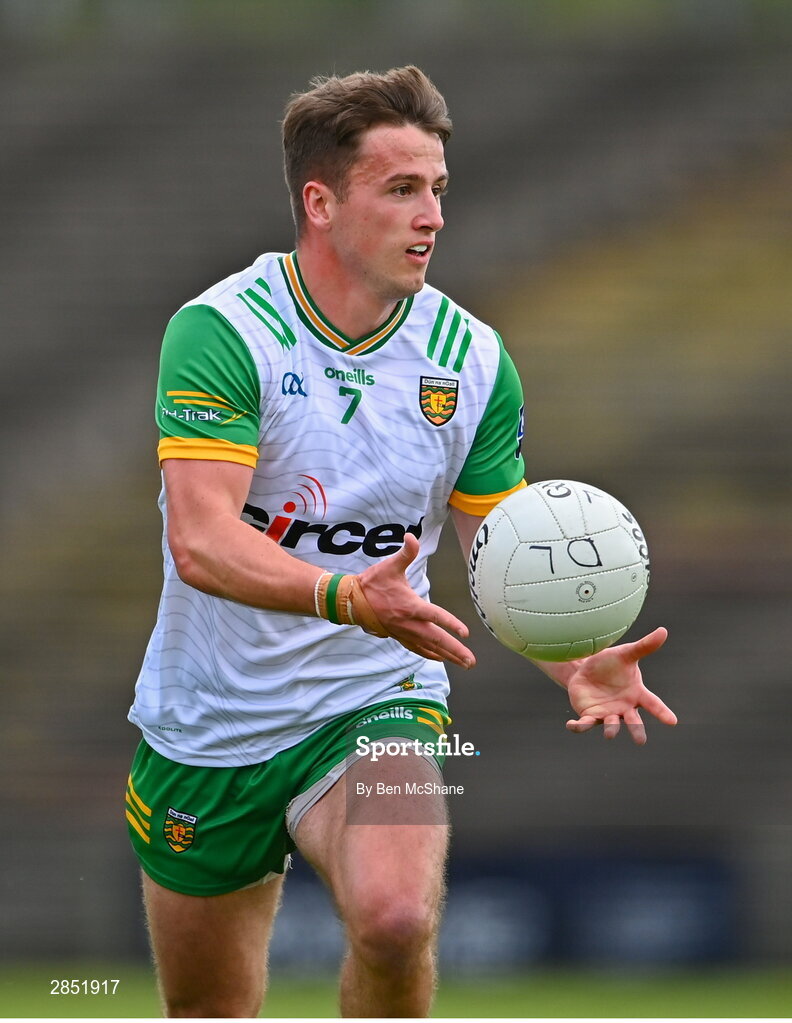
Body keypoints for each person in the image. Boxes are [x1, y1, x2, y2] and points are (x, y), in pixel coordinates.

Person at [125, 65, 677, 1018]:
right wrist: (346, 595)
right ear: (321, 201)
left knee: (392, 917)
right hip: (209, 724)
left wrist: (577, 658)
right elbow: (202, 541)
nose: (433, 215)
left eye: (439, 190)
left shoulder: (470, 359)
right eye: (402, 189)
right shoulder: (223, 332)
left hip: (373, 700)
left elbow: (505, 553)